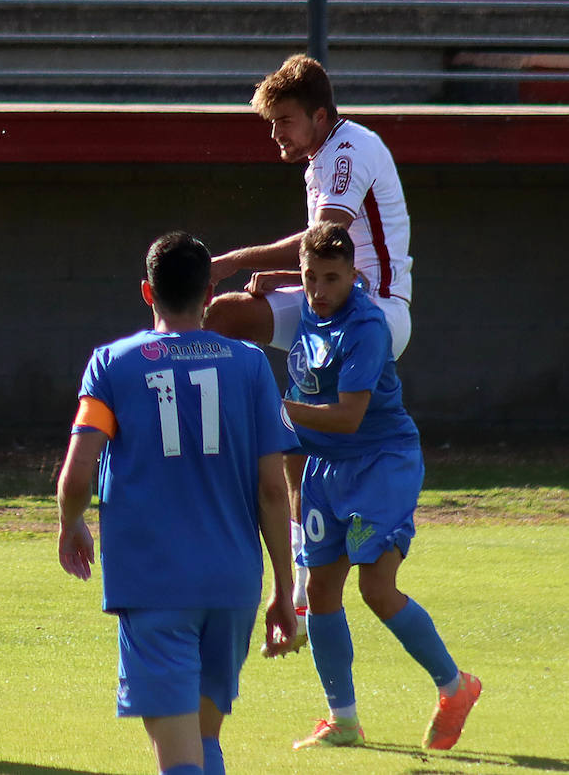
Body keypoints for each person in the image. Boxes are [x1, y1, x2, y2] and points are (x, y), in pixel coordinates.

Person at [56, 231, 299, 775]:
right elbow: (272, 489)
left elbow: (77, 474)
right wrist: (284, 589)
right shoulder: (251, 365)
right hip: (232, 586)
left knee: (179, 760)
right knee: (203, 743)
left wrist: (71, 523)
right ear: (209, 294)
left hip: (154, 585)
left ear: (148, 292)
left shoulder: (112, 365)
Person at [204, 54, 414, 620]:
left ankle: (260, 428)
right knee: (223, 318)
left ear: (320, 117)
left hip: (375, 314)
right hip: (329, 302)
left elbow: (327, 235)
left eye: (285, 121)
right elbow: (322, 255)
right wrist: (288, 273)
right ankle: (296, 574)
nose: (275, 134)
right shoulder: (320, 157)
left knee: (295, 421)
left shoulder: (348, 149)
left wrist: (227, 261)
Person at [281, 222, 479, 751]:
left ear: (355, 276)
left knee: (375, 587)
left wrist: (273, 409)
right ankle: (343, 720)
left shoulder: (366, 326)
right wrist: (264, 280)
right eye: (309, 278)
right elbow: (299, 281)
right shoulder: (309, 302)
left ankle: (455, 687)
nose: (319, 291)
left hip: (381, 464)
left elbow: (348, 418)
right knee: (322, 589)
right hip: (327, 466)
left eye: (331, 279)